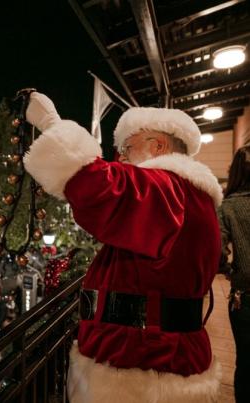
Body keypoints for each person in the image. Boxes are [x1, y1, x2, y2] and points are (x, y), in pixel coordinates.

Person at [24, 92, 222, 402]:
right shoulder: (190, 195)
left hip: (141, 362)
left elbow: (97, 186)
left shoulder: (167, 188)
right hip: (160, 354)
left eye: (127, 148)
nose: (120, 157)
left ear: (158, 146)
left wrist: (52, 124)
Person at [218, 145, 250, 402]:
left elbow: (215, 250)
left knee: (247, 364)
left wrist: (229, 271)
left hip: (245, 297)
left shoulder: (228, 206)